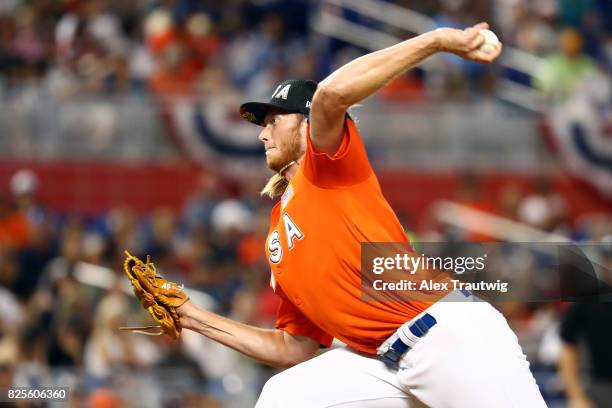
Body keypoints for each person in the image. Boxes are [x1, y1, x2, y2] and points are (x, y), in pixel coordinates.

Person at [175, 23, 547, 407]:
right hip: (381, 364)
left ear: (305, 124)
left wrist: (437, 40)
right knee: (283, 398)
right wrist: (193, 317)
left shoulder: (327, 168)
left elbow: (331, 95)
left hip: (446, 338)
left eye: (274, 121)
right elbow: (293, 347)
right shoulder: (276, 235)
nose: (262, 134)